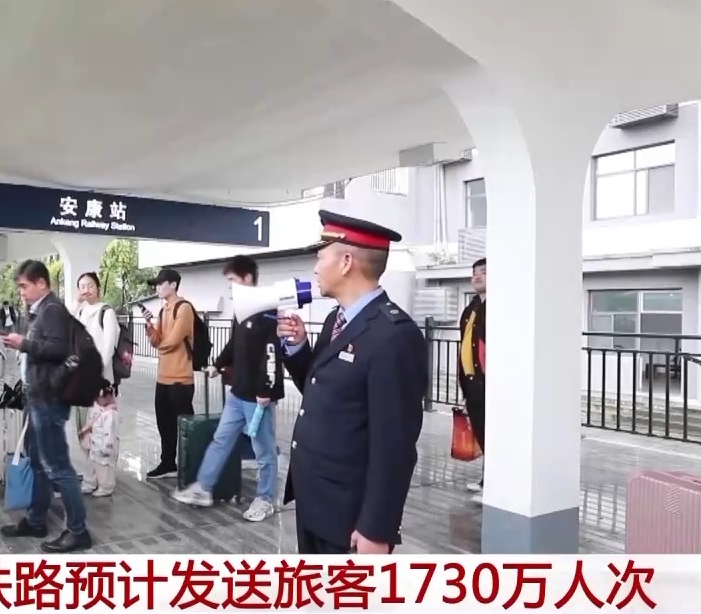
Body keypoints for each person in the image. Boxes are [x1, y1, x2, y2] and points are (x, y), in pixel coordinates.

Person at [276, 211, 426, 554]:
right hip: (315, 499)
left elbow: (395, 445)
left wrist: (377, 528)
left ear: (346, 262)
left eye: (320, 257)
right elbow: (322, 390)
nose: (315, 268)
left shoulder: (393, 336)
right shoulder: (336, 320)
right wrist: (298, 348)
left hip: (349, 515)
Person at [173, 255, 281, 522]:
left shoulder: (268, 311)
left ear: (247, 278)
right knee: (221, 440)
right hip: (237, 392)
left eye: (232, 280)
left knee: (264, 451)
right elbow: (234, 343)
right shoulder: (241, 309)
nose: (230, 287)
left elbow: (271, 354)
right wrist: (217, 364)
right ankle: (203, 488)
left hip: (258, 397)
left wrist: (265, 390)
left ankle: (266, 499)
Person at [0, 259, 93, 552]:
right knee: (39, 463)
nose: (21, 292)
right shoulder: (40, 310)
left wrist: (23, 344)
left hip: (49, 399)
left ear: (42, 283)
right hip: (38, 395)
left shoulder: (52, 310)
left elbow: (58, 349)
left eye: (24, 286)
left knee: (58, 466)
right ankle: (36, 519)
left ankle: (78, 530)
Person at [141, 268, 195, 480]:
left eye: (160, 284)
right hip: (163, 377)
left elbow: (173, 341)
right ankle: (168, 464)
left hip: (180, 378)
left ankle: (190, 467)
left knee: (185, 426)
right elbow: (157, 340)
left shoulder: (184, 308)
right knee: (164, 424)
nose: (157, 288)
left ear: (173, 285)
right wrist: (149, 324)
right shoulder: (163, 311)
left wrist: (160, 346)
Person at [68, 272, 120, 478]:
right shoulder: (81, 311)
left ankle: (104, 478)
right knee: (84, 428)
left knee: (101, 431)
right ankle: (90, 474)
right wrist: (75, 303)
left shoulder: (107, 312)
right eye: (82, 286)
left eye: (90, 285)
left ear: (98, 287)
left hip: (100, 381)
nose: (86, 290)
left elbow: (108, 348)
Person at [457, 258, 487, 501]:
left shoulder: (498, 306)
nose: (477, 276)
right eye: (475, 272)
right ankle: (487, 480)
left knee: (492, 435)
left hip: (488, 382)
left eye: (484, 272)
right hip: (472, 381)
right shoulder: (472, 308)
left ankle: (495, 486)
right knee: (482, 432)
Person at [78, 388, 121, 497]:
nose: (97, 401)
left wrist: (107, 447)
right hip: (95, 443)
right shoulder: (99, 408)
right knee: (91, 465)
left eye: (99, 398)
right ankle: (89, 483)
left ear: (108, 397)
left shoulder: (111, 414)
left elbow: (110, 432)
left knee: (104, 468)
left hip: (104, 446)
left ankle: (106, 487)